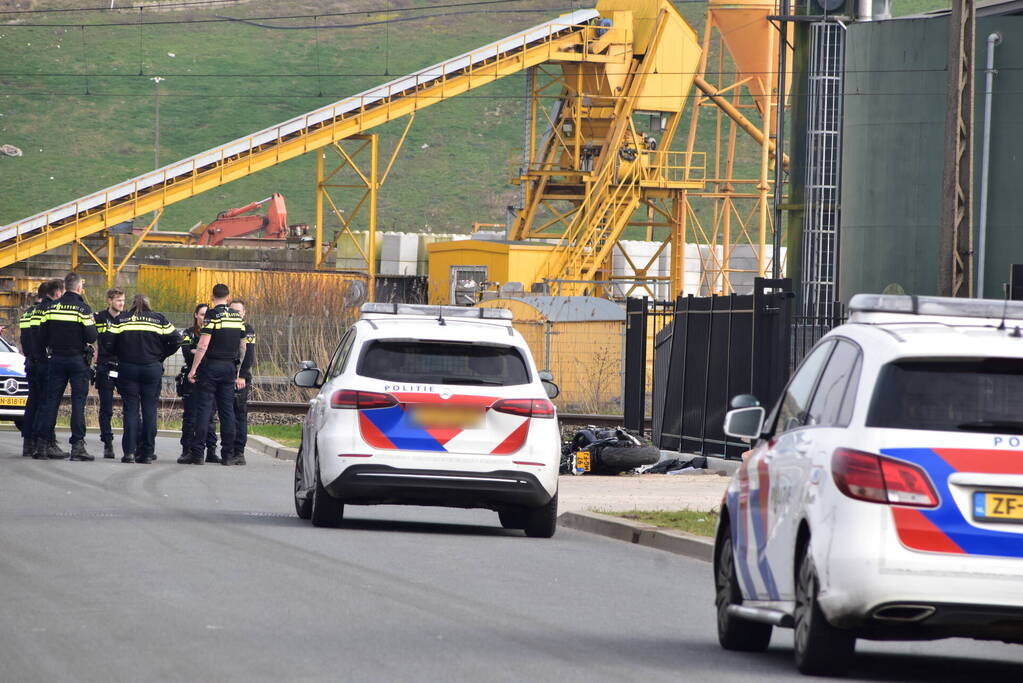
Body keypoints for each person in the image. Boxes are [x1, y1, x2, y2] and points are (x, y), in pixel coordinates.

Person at [106, 293, 180, 464]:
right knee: (149, 410)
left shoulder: (121, 319)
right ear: (149, 304)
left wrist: (119, 354)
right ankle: (147, 453)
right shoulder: (159, 319)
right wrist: (161, 355)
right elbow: (177, 340)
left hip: (128, 368)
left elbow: (107, 342)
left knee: (130, 410)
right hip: (151, 368)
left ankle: (129, 453)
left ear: (132, 305)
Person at [182, 283, 246, 466]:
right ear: (228, 296)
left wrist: (194, 369)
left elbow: (202, 344)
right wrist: (239, 370)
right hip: (229, 368)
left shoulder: (212, 314)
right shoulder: (236, 316)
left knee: (204, 409)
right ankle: (227, 454)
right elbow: (243, 346)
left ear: (212, 296)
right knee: (227, 411)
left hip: (211, 367)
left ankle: (198, 454)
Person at [38, 272, 96, 461]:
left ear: (65, 287)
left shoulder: (51, 308)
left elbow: (42, 335)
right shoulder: (83, 309)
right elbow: (91, 337)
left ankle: (44, 444)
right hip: (77, 360)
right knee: (78, 402)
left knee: (51, 401)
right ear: (79, 288)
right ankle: (77, 446)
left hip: (56, 358)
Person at [29, 279, 66, 460]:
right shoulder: (52, 310)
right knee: (47, 404)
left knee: (34, 403)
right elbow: (49, 338)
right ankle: (47, 442)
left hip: (32, 361)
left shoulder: (31, 312)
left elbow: (28, 339)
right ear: (58, 292)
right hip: (47, 362)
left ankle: (31, 443)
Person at [178, 303, 219, 463]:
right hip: (192, 378)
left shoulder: (214, 332)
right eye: (201, 315)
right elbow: (187, 353)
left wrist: (200, 351)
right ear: (196, 315)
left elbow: (209, 352)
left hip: (209, 377)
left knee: (210, 417)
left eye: (206, 315)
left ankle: (211, 450)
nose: (204, 318)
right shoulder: (188, 332)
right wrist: (202, 352)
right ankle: (186, 449)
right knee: (190, 416)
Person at [94, 288, 125, 459]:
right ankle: (107, 442)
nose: (121, 303)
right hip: (105, 366)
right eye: (118, 300)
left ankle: (133, 442)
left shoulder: (126, 317)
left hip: (123, 365)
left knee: (130, 404)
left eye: (123, 300)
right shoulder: (99, 317)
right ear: (109, 301)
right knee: (106, 407)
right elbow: (91, 336)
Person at [18, 283, 46, 458]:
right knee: (42, 403)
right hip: (42, 361)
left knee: (31, 401)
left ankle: (27, 442)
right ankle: (39, 441)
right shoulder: (44, 311)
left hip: (29, 361)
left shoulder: (27, 313)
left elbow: (25, 338)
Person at [228, 299, 255, 466]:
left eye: (238, 312)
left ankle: (239, 452)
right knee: (227, 415)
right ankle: (227, 450)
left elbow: (249, 355)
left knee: (239, 414)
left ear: (244, 313)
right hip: (225, 376)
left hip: (239, 377)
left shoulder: (247, 329)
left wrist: (242, 376)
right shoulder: (226, 327)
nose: (236, 314)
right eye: (232, 311)